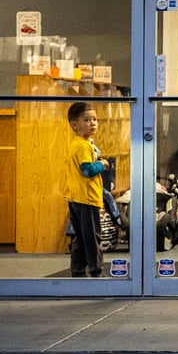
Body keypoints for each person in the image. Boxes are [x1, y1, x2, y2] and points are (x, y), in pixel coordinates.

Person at [65, 102, 106, 277]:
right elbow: (87, 170)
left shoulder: (80, 143)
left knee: (80, 237)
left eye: (95, 119)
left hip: (76, 197)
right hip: (87, 197)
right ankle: (96, 270)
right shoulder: (83, 146)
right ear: (74, 125)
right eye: (87, 120)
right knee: (92, 237)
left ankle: (78, 270)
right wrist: (102, 164)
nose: (93, 123)